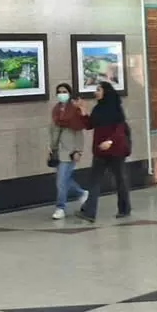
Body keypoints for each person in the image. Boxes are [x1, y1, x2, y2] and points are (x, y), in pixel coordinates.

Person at [76, 81, 131, 223]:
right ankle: (90, 213)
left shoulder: (116, 109)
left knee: (120, 180)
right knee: (94, 181)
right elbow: (89, 125)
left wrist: (110, 142)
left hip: (116, 151)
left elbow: (120, 130)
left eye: (99, 89)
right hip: (100, 152)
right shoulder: (98, 109)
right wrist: (83, 111)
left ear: (106, 92)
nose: (96, 92)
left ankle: (124, 209)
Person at [48, 83, 89, 220]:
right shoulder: (56, 110)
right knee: (63, 180)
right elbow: (53, 132)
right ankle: (81, 193)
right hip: (58, 150)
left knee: (61, 181)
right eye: (59, 92)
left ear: (69, 93)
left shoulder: (75, 111)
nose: (62, 94)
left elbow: (79, 133)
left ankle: (60, 207)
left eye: (64, 91)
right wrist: (51, 149)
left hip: (70, 151)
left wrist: (79, 151)